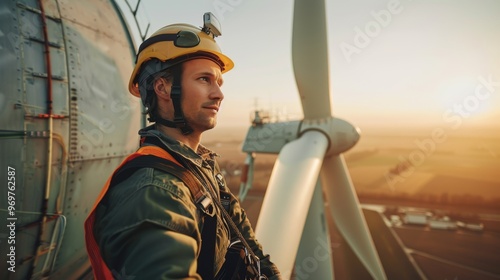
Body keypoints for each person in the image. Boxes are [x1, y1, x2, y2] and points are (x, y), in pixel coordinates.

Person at [84, 15, 281, 280]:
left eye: (219, 83)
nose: (219, 94)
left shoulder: (200, 165)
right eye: (204, 79)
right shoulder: (155, 192)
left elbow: (244, 236)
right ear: (163, 88)